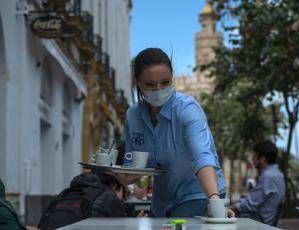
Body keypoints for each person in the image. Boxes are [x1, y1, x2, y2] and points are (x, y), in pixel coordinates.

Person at [118, 47, 228, 217]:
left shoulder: (187, 110)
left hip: (198, 195)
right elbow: (134, 165)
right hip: (162, 201)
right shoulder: (133, 116)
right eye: (150, 85)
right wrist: (125, 178)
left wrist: (214, 201)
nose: (158, 90)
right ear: (138, 83)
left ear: (172, 79)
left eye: (165, 82)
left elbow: (202, 156)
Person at [37, 172, 127, 229]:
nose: (124, 198)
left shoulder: (65, 193)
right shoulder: (109, 196)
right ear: (115, 186)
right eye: (124, 191)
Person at [228, 140, 285, 226]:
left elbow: (249, 204)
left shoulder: (268, 176)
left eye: (254, 156)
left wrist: (227, 209)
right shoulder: (277, 174)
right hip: (264, 221)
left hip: (258, 223)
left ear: (262, 158)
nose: (252, 159)